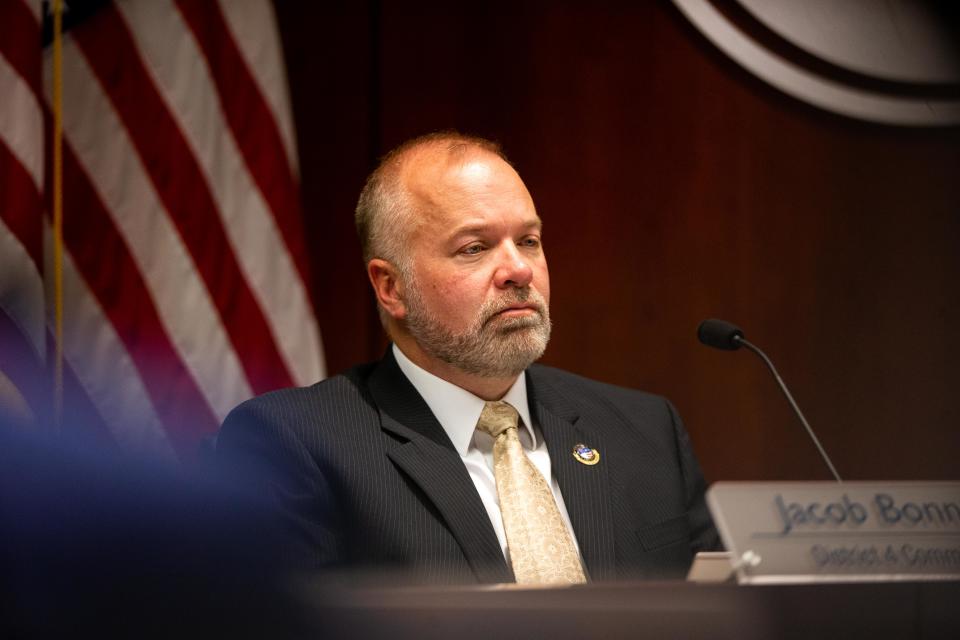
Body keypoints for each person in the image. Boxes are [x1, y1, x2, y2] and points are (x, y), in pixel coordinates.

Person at [217, 132, 720, 586]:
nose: (519, 270)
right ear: (391, 288)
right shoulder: (298, 446)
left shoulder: (646, 430)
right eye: (474, 248)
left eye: (528, 241)